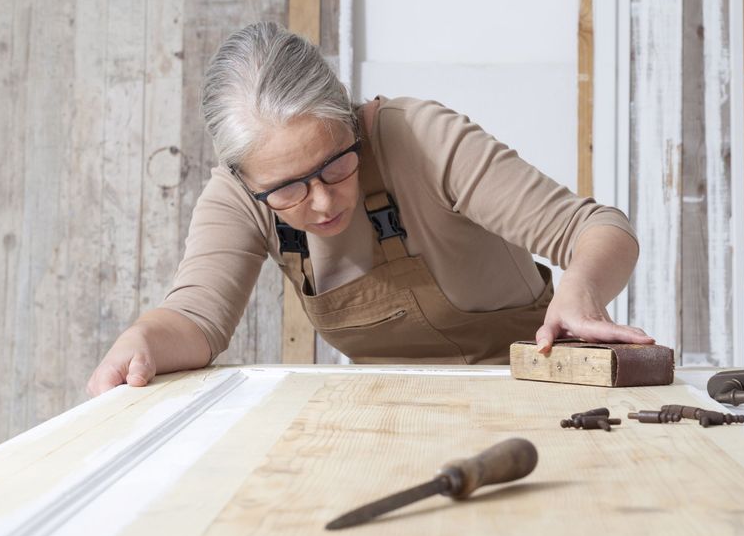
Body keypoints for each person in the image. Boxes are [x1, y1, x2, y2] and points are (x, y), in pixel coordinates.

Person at [86, 22, 651, 396]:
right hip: (388, 409)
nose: (325, 200)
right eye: (289, 189)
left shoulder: (422, 139)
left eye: (336, 164)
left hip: (535, 392)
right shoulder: (239, 198)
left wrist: (582, 290)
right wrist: (141, 341)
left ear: (350, 119)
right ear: (245, 178)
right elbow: (195, 321)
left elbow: (599, 228)